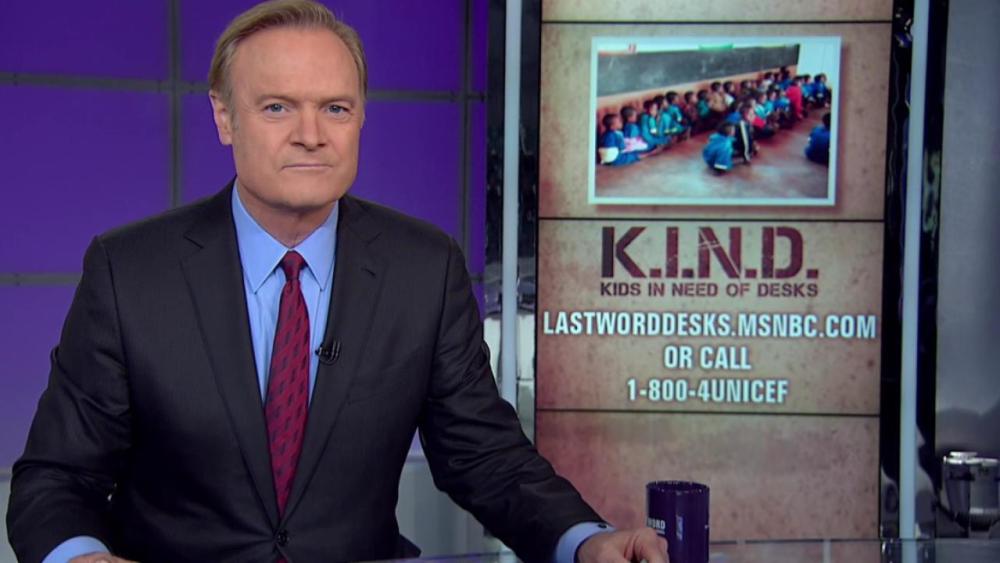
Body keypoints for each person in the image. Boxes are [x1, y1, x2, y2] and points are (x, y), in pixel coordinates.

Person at [4, 2, 668, 563]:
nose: (311, 135)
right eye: (277, 107)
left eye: (336, 108)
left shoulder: (423, 268)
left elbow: (485, 457)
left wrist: (584, 541)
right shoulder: (130, 271)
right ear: (224, 118)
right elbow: (56, 478)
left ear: (361, 118)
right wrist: (80, 557)